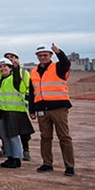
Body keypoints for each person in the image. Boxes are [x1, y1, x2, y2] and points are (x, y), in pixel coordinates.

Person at [29, 43, 75, 176]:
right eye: (40, 55)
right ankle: (47, 163)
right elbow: (32, 92)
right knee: (45, 137)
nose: (43, 57)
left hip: (58, 108)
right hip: (42, 109)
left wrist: (59, 52)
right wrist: (31, 110)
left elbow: (66, 63)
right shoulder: (34, 71)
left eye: (45, 55)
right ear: (37, 56)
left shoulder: (58, 67)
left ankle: (69, 166)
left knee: (64, 137)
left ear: (50, 55)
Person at [0, 57, 32, 169]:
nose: (3, 68)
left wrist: (16, 68)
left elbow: (17, 79)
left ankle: (16, 158)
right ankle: (9, 157)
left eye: (5, 66)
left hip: (14, 112)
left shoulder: (14, 78)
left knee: (13, 136)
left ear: (10, 68)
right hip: (2, 112)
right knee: (4, 136)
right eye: (0, 67)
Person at [4, 50, 32, 161]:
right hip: (6, 107)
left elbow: (28, 89)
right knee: (8, 131)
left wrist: (26, 102)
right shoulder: (2, 72)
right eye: (7, 57)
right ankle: (6, 149)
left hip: (20, 106)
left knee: (23, 131)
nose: (10, 58)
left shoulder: (24, 73)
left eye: (12, 56)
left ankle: (26, 150)